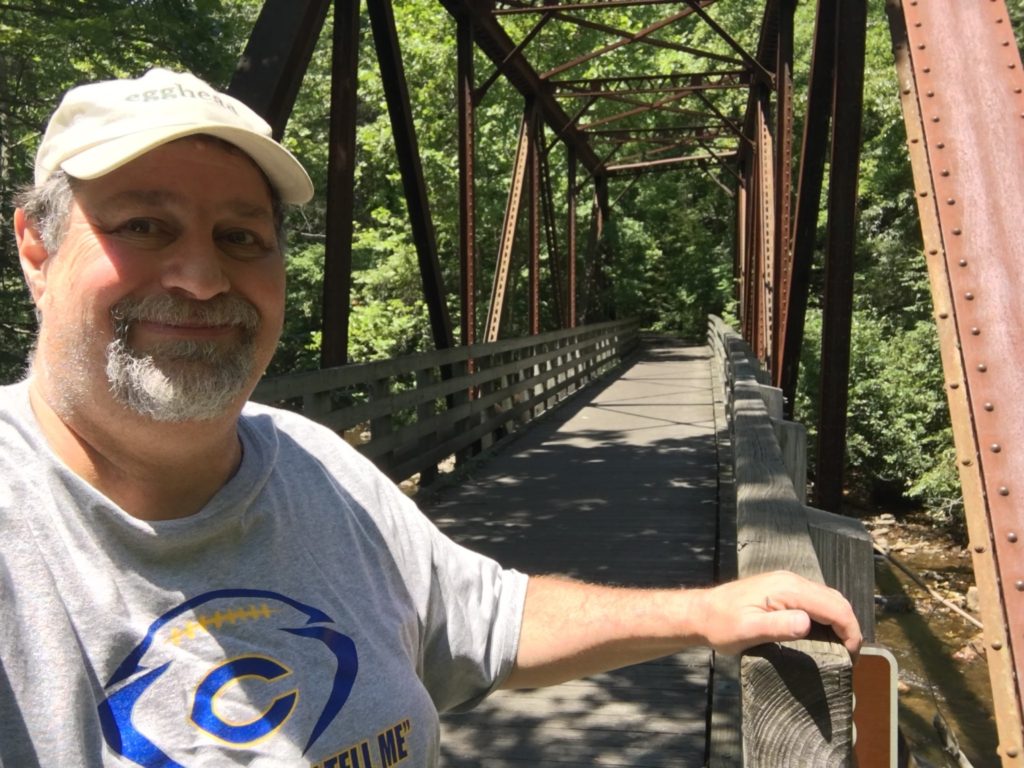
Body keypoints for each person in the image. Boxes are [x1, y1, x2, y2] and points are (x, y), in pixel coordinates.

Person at [0, 68, 861, 767]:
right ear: (36, 251)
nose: (200, 277)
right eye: (145, 224)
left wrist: (704, 613)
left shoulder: (311, 462)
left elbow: (487, 621)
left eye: (241, 237)